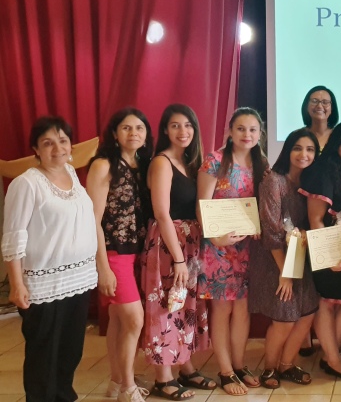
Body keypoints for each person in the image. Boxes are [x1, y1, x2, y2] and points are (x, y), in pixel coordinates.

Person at [2, 117, 98, 401]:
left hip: (78, 279)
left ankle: (64, 396)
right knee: (44, 354)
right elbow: (14, 235)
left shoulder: (71, 173)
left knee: (70, 351)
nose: (57, 148)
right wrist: (16, 285)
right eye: (48, 143)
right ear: (36, 149)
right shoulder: (27, 183)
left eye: (63, 141)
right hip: (43, 285)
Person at [140, 104, 214, 399]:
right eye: (175, 125)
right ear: (165, 130)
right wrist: (180, 258)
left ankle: (185, 366)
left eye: (188, 125)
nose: (182, 131)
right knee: (165, 307)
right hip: (168, 246)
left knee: (185, 307)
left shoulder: (191, 162)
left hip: (190, 242)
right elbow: (161, 212)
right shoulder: (162, 162)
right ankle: (163, 377)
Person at [197, 107, 268, 395]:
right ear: (230, 131)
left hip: (249, 248)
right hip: (218, 249)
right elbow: (202, 205)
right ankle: (225, 371)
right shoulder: (214, 162)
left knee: (242, 309)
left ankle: (239, 365)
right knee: (222, 308)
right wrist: (216, 238)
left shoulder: (261, 163)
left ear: (260, 133)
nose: (247, 134)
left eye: (253, 130)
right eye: (241, 129)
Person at [87, 108, 153, 402]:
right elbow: (93, 219)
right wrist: (103, 267)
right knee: (134, 320)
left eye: (139, 128)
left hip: (137, 252)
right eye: (126, 128)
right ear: (114, 133)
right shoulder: (104, 165)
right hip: (114, 253)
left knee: (117, 319)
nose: (134, 133)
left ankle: (115, 382)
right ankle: (128, 386)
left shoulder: (143, 163)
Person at [249, 128, 320, 388]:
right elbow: (271, 230)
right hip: (275, 259)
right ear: (288, 150)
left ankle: (287, 365)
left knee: (307, 314)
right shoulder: (273, 181)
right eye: (298, 148)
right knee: (284, 316)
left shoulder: (311, 183)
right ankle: (269, 368)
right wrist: (285, 273)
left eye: (310, 149)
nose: (304, 154)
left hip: (304, 257)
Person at [299, 120, 341, 380]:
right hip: (327, 247)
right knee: (326, 303)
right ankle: (335, 359)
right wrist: (326, 257)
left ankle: (331, 355)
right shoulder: (324, 171)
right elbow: (315, 219)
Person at [302, 85, 339, 149]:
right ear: (306, 106)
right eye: (314, 101)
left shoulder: (339, 136)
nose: (319, 106)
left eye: (325, 102)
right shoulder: (297, 136)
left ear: (332, 108)